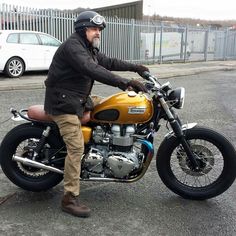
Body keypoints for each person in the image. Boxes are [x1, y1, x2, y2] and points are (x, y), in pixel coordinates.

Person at [44, 10, 149, 218]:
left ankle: (104, 144)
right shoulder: (74, 47)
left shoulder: (87, 47)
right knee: (75, 148)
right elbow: (91, 68)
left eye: (99, 29)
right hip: (63, 104)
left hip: (78, 98)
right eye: (94, 29)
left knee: (113, 107)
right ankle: (69, 198)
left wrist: (136, 68)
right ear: (83, 30)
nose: (98, 33)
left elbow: (108, 62)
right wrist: (125, 83)